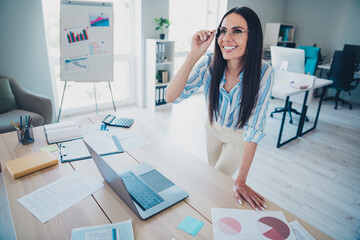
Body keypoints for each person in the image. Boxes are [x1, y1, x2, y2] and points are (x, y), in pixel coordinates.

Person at [165, 6, 273, 211]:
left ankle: (203, 216)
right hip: (212, 128)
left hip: (238, 136)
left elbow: (255, 128)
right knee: (211, 174)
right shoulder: (210, 63)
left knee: (213, 184)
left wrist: (241, 180)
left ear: (253, 37)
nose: (226, 38)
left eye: (237, 31)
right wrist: (193, 55)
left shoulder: (264, 72)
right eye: (223, 31)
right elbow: (171, 96)